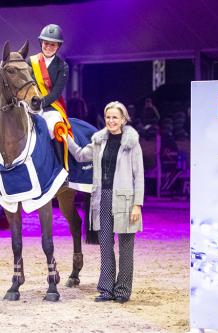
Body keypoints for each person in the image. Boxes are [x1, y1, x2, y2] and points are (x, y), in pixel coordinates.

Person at [66, 101, 144, 303]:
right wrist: (65, 136)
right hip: (102, 198)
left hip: (125, 200)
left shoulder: (132, 143)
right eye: (108, 117)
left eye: (115, 117)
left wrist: (137, 204)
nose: (111, 121)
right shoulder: (99, 140)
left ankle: (122, 291)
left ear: (123, 119)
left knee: (126, 249)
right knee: (105, 246)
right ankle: (106, 289)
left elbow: (139, 176)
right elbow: (81, 155)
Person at [28, 23, 71, 169]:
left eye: (53, 45)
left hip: (50, 107)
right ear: (41, 43)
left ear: (58, 46)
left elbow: (56, 93)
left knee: (55, 127)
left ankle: (61, 168)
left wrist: (40, 103)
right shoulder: (30, 62)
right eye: (46, 43)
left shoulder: (62, 66)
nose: (48, 47)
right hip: (28, 105)